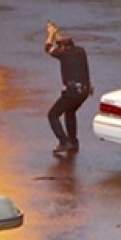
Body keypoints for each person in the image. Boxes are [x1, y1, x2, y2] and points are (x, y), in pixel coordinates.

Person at [44, 21, 92, 156]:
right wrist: (56, 33)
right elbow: (63, 42)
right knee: (70, 112)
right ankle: (73, 142)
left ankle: (64, 142)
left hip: (72, 92)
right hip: (84, 91)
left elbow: (48, 47)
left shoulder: (63, 55)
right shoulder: (80, 51)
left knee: (52, 115)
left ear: (64, 49)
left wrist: (50, 34)